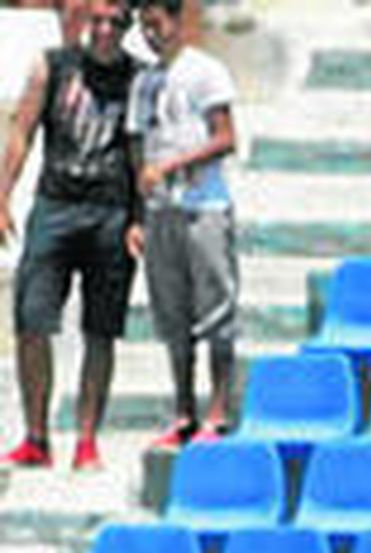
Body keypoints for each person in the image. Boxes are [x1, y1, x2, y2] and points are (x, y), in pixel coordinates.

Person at [0, 0, 138, 471]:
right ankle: (37, 435)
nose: (103, 31)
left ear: (126, 25)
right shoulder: (53, 65)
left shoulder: (138, 78)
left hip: (111, 212)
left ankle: (86, 439)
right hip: (56, 204)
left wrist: (140, 218)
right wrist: (2, 195)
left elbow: (142, 155)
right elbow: (21, 131)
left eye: (113, 22)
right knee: (31, 320)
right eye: (95, 20)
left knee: (101, 330)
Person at [126, 0, 238, 447]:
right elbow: (138, 152)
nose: (153, 34)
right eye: (145, 26)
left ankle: (219, 408)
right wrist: (138, 213)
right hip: (161, 211)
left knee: (216, 307)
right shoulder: (145, 83)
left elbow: (225, 137)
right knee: (172, 313)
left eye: (158, 24)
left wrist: (173, 165)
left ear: (176, 20)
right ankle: (183, 410)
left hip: (203, 205)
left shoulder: (205, 71)